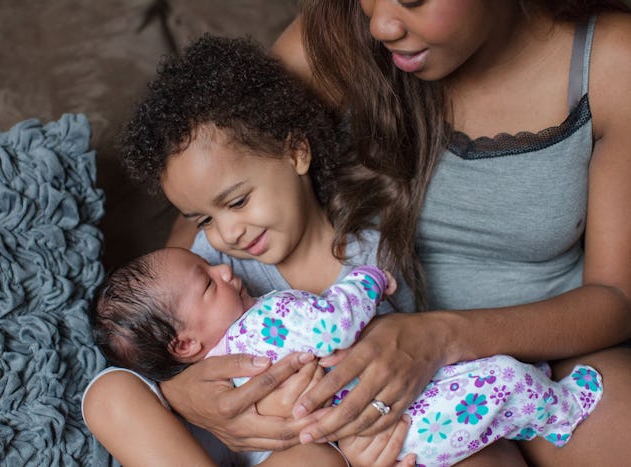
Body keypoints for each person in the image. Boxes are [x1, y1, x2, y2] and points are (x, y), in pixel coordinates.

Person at [252, 1, 631, 465]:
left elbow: (616, 296)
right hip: (367, 366)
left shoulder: (612, 60)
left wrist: (441, 338)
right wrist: (177, 385)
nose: (380, 25)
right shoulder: (336, 34)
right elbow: (206, 188)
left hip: (546, 343)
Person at [82, 33, 415, 467]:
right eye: (203, 219)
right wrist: (178, 393)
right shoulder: (210, 261)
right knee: (108, 394)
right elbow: (167, 342)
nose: (226, 234)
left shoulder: (373, 259)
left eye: (237, 202)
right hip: (205, 445)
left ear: (295, 152)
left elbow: (399, 371)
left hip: (311, 442)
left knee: (316, 460)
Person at [91, 245, 602, 466]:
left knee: (487, 385)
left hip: (386, 422)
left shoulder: (221, 362)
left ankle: (535, 403)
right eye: (208, 281)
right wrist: (367, 277)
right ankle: (559, 411)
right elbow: (334, 322)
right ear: (184, 346)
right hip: (398, 425)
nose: (226, 269)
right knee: (501, 381)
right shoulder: (265, 320)